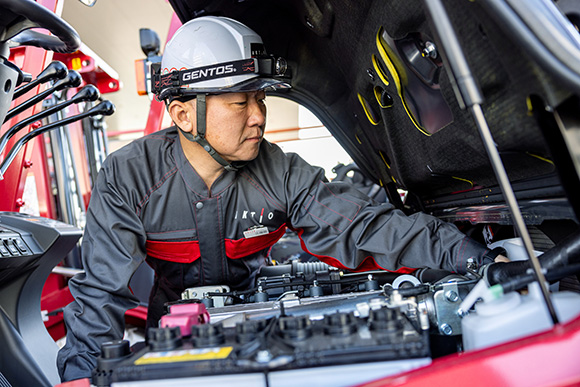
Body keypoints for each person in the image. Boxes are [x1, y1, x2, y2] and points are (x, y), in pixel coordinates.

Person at [57, 16, 507, 382]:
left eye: (261, 99)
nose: (259, 117)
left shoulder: (280, 169)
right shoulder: (130, 176)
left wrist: (474, 256)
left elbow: (364, 226)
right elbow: (100, 292)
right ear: (181, 114)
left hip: (265, 323)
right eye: (239, 103)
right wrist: (81, 374)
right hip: (172, 343)